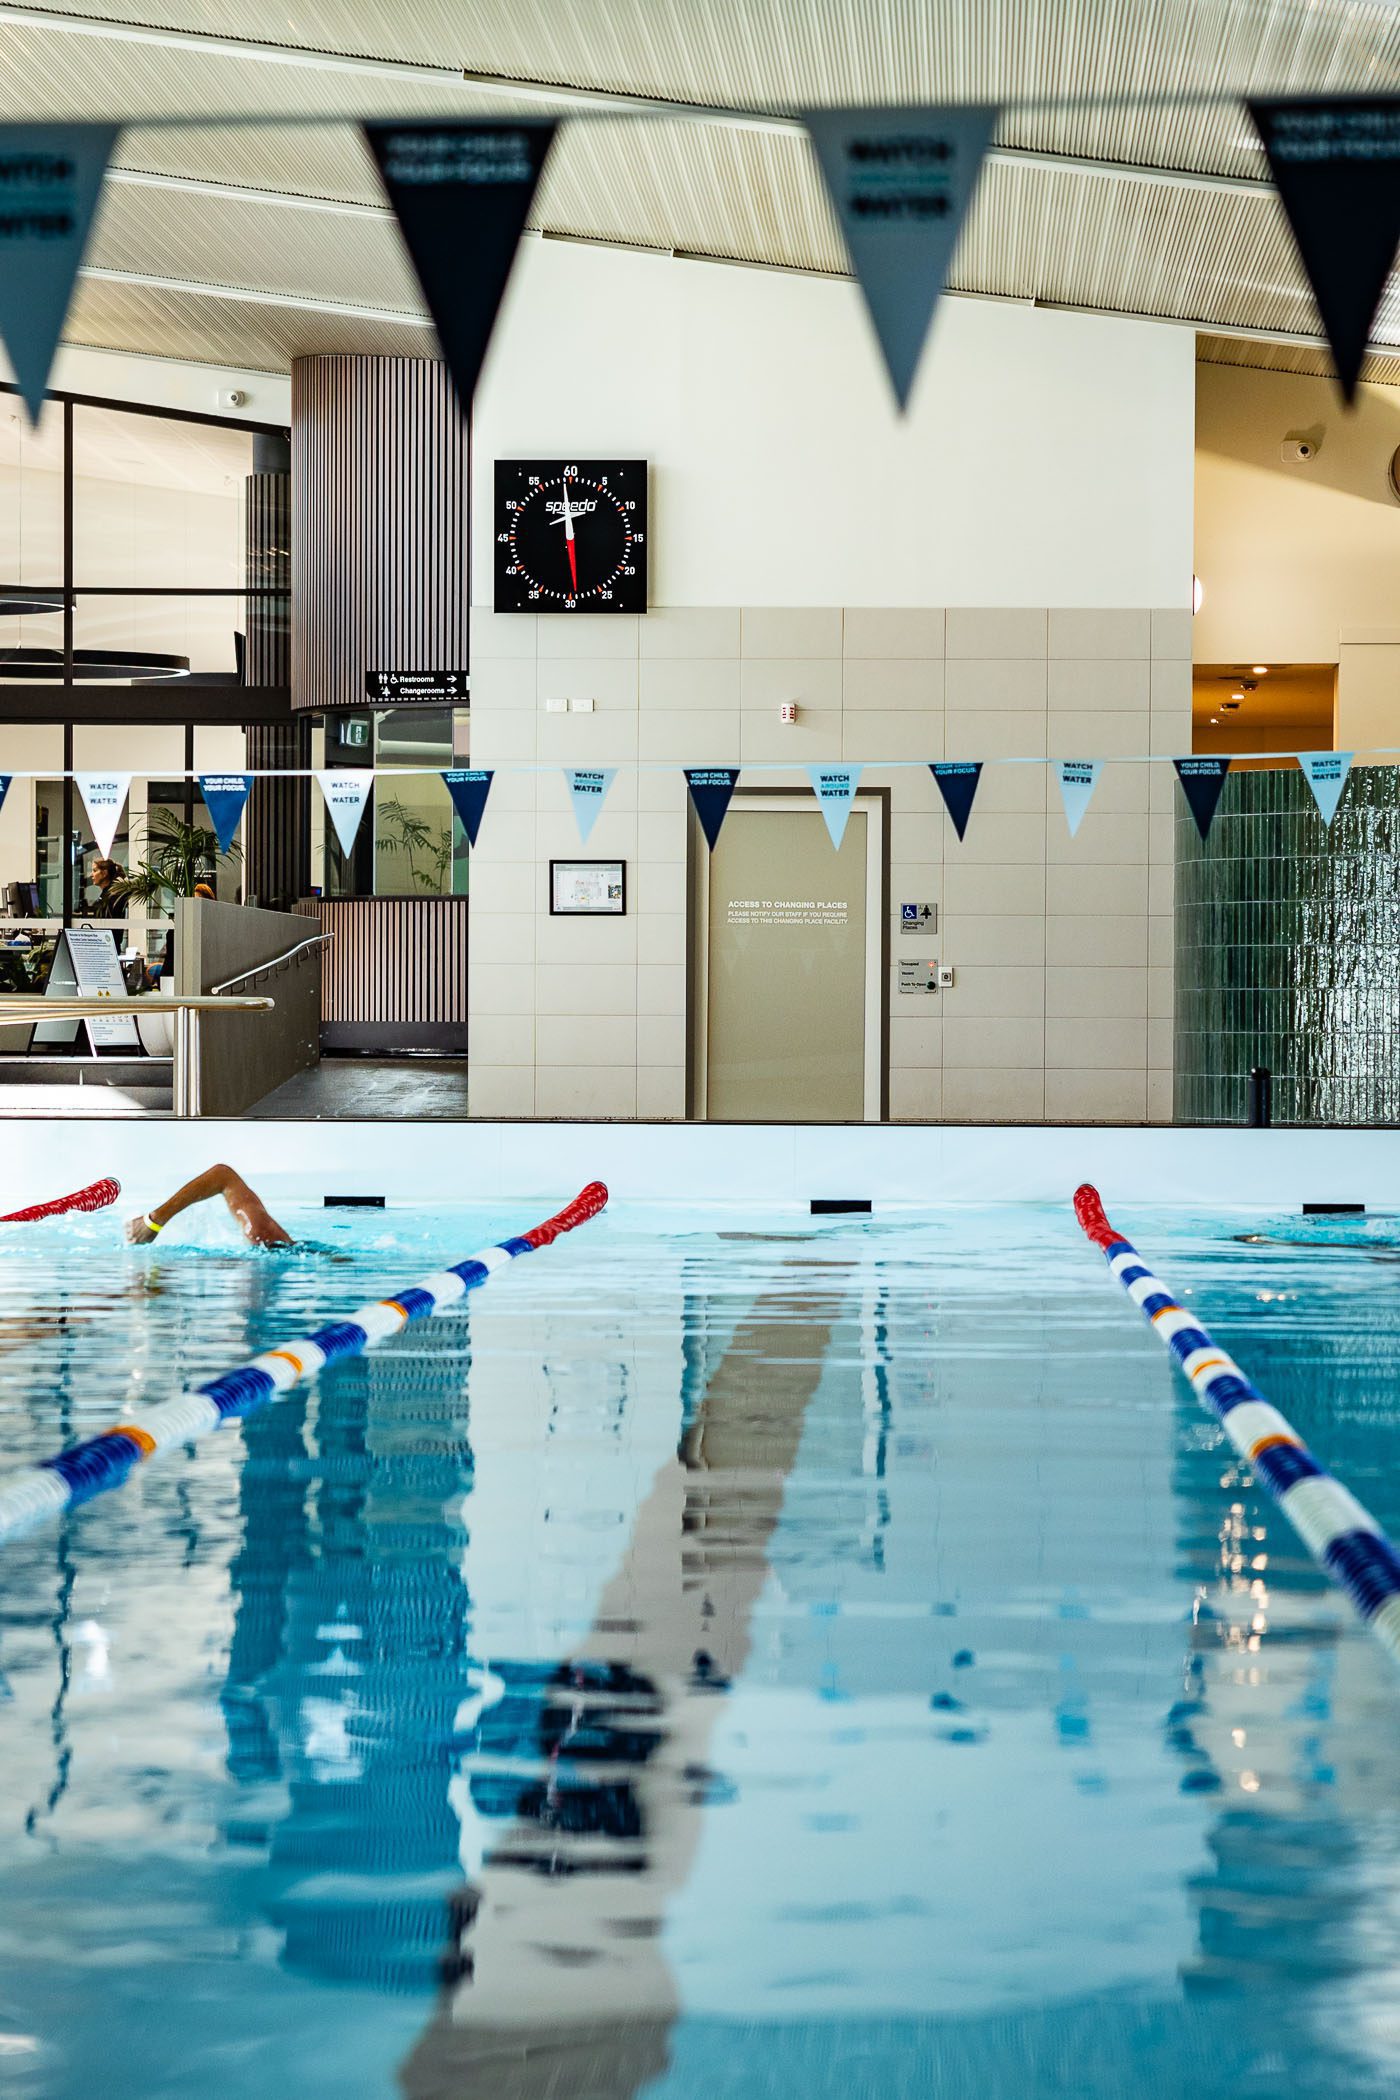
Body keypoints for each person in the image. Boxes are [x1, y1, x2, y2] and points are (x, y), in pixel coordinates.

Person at [125, 1164, 293, 1248]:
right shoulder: (263, 1235)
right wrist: (153, 1221)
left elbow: (224, 1176)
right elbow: (222, 1176)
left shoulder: (263, 1238)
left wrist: (154, 1221)